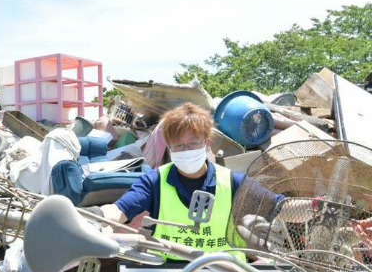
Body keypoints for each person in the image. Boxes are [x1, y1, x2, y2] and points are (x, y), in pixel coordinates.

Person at [98, 103, 283, 261]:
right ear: (170, 148)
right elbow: (119, 210)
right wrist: (98, 218)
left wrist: (311, 206)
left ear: (207, 144)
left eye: (193, 143)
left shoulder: (234, 181)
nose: (186, 150)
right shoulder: (154, 181)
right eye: (178, 145)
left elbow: (278, 206)